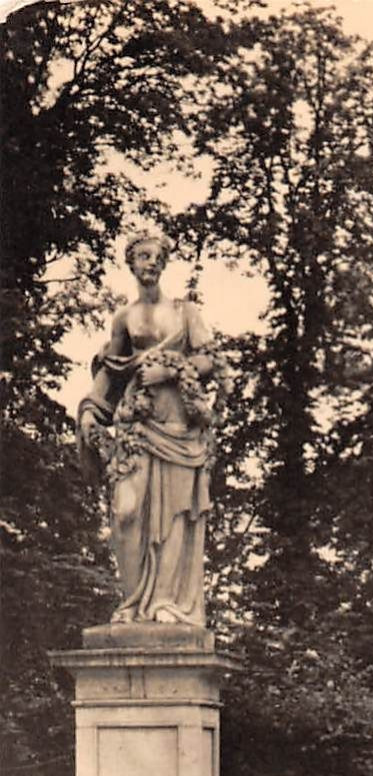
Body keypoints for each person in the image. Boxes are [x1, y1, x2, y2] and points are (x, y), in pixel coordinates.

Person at [78, 231, 221, 625]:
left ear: (164, 263)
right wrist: (91, 410)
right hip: (135, 429)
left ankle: (164, 603)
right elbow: (110, 373)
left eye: (157, 257)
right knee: (126, 513)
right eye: (143, 256)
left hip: (178, 430)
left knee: (175, 517)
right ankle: (131, 603)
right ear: (131, 263)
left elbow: (209, 359)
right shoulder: (124, 319)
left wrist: (172, 371)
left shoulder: (185, 312)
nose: (151, 262)